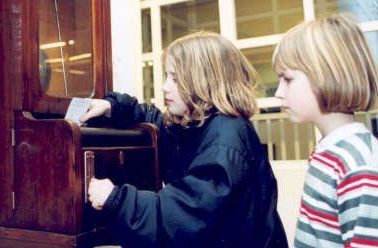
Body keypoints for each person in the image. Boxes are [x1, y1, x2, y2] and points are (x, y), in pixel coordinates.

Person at [80, 31, 288, 248]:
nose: (164, 86)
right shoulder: (195, 123)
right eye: (166, 76)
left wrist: (115, 200)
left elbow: (186, 215)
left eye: (175, 79)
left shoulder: (226, 138)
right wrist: (113, 107)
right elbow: (153, 119)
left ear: (204, 83)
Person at [272, 13, 378, 248]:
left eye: (288, 79)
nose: (278, 92)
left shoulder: (360, 164)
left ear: (326, 76)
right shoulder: (333, 151)